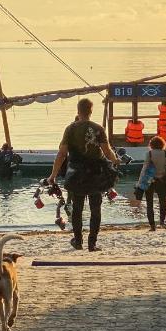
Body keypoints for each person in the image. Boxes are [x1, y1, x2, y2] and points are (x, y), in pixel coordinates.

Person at [48, 98, 120, 252]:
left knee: (77, 209)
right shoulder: (98, 128)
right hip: (96, 173)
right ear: (91, 111)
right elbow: (106, 151)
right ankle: (92, 243)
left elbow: (62, 154)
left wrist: (53, 175)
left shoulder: (70, 129)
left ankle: (78, 241)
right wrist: (115, 160)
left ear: (78, 110)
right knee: (96, 209)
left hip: (76, 174)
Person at [140, 135, 166, 231]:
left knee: (149, 203)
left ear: (151, 144)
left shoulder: (149, 153)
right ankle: (162, 222)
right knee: (162, 202)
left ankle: (152, 226)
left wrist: (140, 181)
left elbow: (145, 168)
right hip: (162, 181)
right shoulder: (165, 153)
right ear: (162, 144)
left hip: (150, 181)